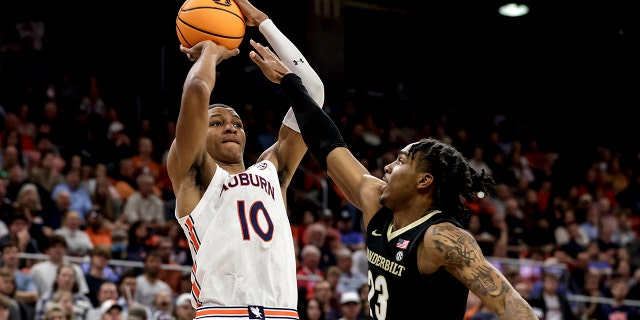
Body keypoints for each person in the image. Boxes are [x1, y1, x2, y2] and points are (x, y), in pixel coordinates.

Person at [248, 42, 538, 319]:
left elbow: (508, 302)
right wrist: (290, 82)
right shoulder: (376, 203)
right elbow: (327, 143)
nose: (387, 167)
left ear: (424, 180)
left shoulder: (441, 238)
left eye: (400, 161)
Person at [166, 0, 324, 317]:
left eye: (237, 123)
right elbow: (197, 90)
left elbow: (314, 92)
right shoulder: (193, 175)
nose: (230, 127)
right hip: (224, 312)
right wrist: (210, 50)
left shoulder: (272, 171)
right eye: (216, 122)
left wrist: (264, 22)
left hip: (283, 313)